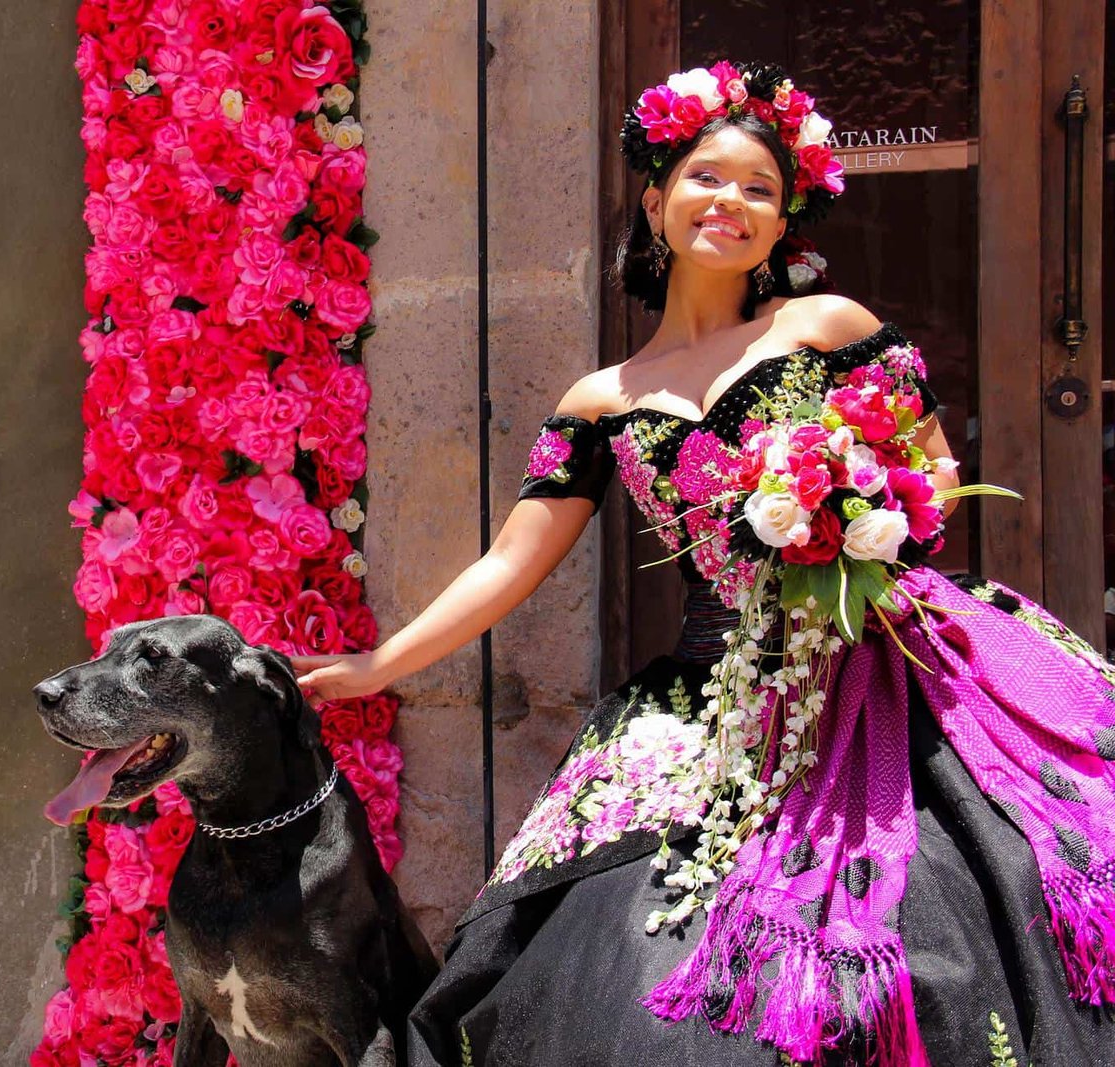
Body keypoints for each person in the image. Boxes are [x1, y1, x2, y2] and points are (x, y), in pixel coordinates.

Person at [291, 62, 1115, 1066]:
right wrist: (381, 667)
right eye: (705, 178)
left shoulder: (829, 328)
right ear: (655, 197)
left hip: (891, 658)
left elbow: (935, 472)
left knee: (971, 902)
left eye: (759, 190)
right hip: (706, 697)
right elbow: (513, 559)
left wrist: (851, 515)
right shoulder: (601, 398)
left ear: (781, 226)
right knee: (640, 959)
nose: (730, 202)